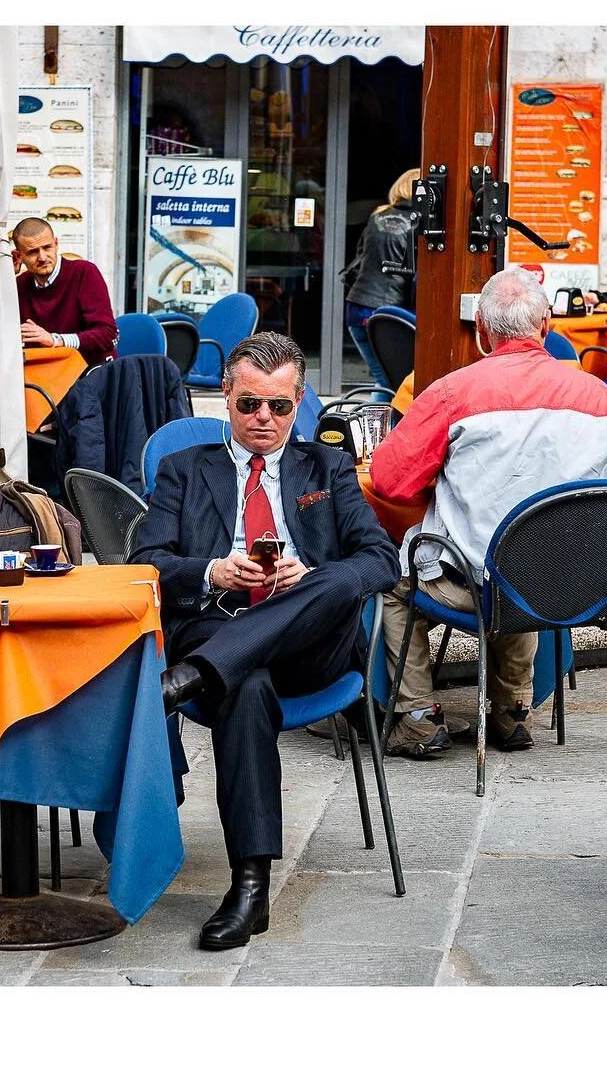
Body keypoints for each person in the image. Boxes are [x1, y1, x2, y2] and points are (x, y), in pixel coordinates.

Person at [129, 332, 398, 950]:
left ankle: (192, 677)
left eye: (279, 407)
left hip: (312, 647)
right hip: (219, 624)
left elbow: (381, 558)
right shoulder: (184, 470)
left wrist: (307, 578)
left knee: (333, 579)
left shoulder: (324, 468)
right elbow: (145, 560)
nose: (264, 420)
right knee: (244, 685)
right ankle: (250, 887)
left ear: (299, 401)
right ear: (225, 396)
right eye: (250, 404)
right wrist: (212, 571)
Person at [369, 268, 607, 757]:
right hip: (571, 583)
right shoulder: (603, 401)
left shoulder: (453, 393)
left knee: (395, 583)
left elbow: (390, 481)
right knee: (530, 552)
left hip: (477, 587)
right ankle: (513, 710)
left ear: (480, 330)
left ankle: (414, 718)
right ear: (545, 327)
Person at [343, 169, 419, 394]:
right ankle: (380, 429)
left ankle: (382, 427)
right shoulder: (419, 223)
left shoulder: (377, 217)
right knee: (390, 382)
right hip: (390, 314)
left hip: (357, 307)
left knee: (384, 378)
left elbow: (360, 256)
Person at [13, 217, 118, 366]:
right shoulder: (20, 283)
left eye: (47, 247)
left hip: (91, 373)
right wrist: (6, 276)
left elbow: (108, 335)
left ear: (56, 244)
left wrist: (55, 340)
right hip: (46, 375)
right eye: (32, 252)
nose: (42, 257)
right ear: (19, 256)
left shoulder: (84, 272)